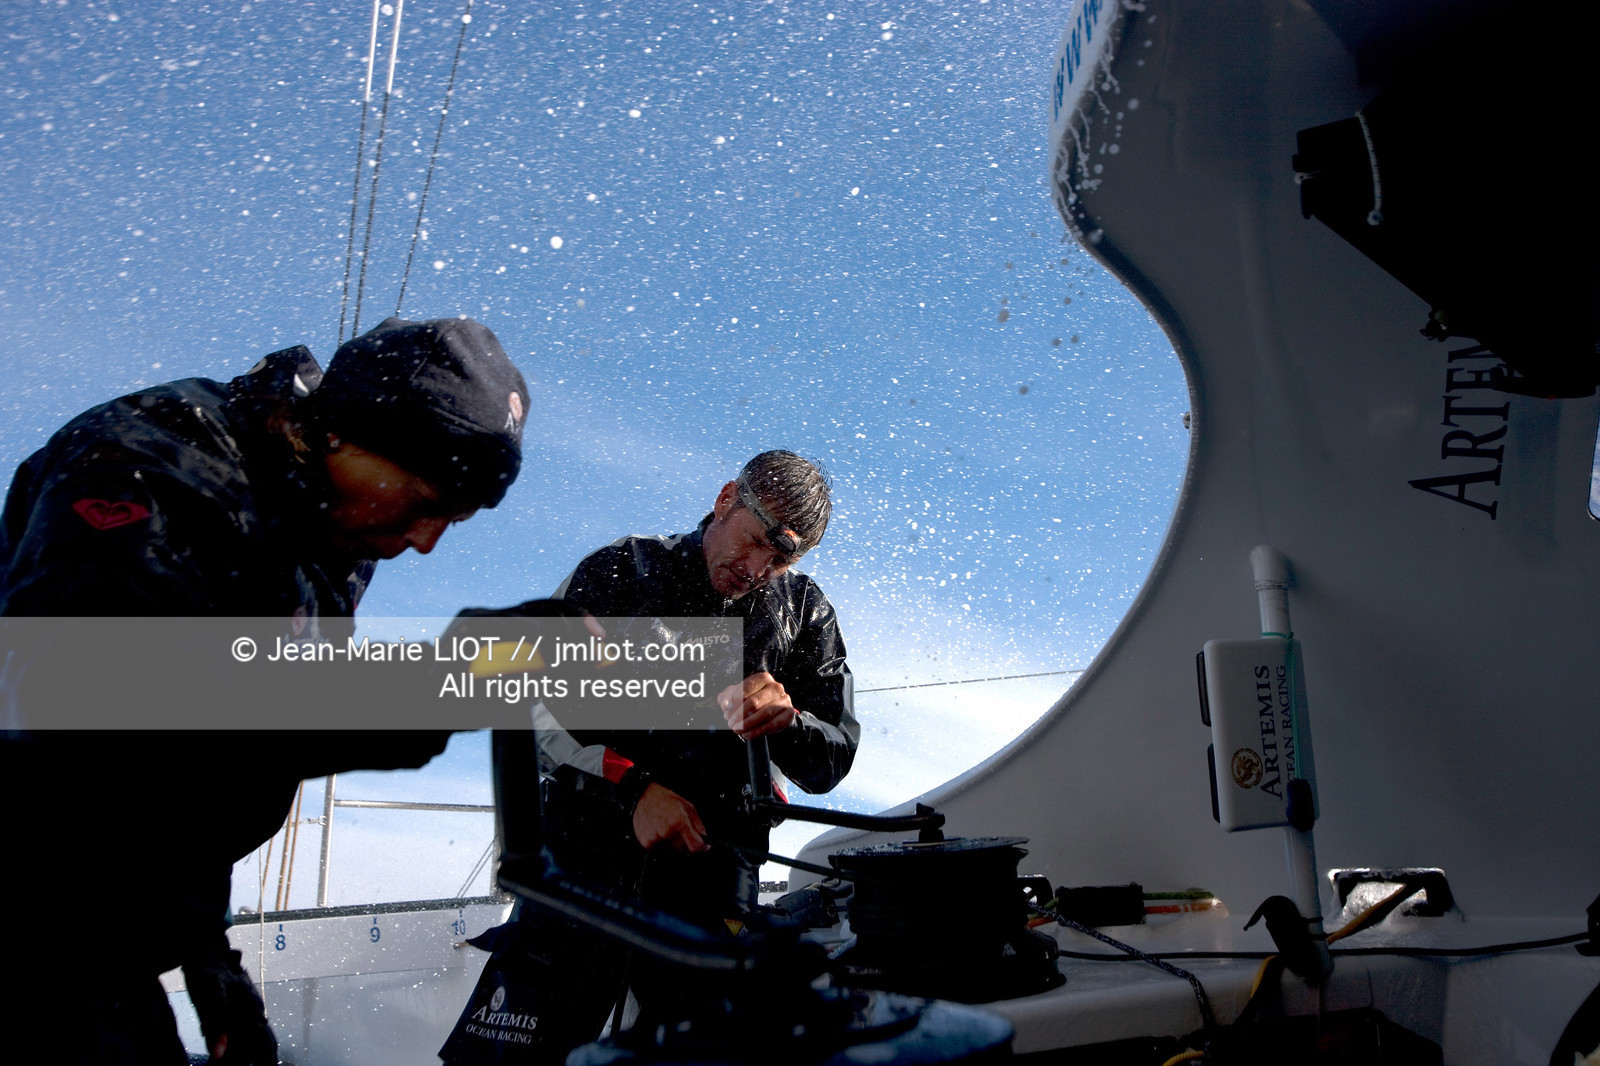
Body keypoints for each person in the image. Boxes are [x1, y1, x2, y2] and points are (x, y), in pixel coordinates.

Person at [0, 316, 530, 1064]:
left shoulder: (334, 528)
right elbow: (104, 705)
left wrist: (214, 968)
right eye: (422, 500)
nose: (425, 541)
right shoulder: (150, 454)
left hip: (107, 918)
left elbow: (195, 783)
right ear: (345, 432)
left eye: (453, 519)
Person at [440, 450, 857, 1064]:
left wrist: (788, 723)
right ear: (724, 500)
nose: (758, 569)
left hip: (713, 879)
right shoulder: (621, 571)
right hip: (583, 862)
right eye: (754, 542)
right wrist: (633, 790)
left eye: (781, 559)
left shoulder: (803, 613)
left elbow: (833, 759)